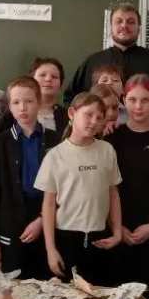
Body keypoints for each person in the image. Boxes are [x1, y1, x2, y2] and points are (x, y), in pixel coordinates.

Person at [39, 92, 123, 285]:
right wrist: (51, 249)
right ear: (71, 113)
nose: (93, 121)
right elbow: (48, 205)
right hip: (66, 237)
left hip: (100, 237)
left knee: (100, 294)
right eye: (88, 114)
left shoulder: (107, 150)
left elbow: (113, 194)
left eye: (99, 118)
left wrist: (117, 232)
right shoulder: (55, 155)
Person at [0, 76, 58, 280]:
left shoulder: (54, 139)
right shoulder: (1, 142)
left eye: (29, 101)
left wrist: (41, 220)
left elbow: (63, 188)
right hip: (11, 224)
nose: (22, 108)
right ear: (9, 106)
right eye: (16, 102)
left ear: (39, 102)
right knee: (13, 285)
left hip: (45, 220)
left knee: (46, 283)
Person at [106, 74, 149, 288]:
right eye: (133, 100)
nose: (138, 106)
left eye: (145, 100)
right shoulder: (113, 138)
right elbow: (106, 188)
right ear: (124, 100)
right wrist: (117, 226)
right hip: (119, 226)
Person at [64, 3, 149, 103]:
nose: (124, 25)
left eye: (131, 22)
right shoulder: (92, 62)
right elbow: (70, 99)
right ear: (111, 28)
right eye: (119, 21)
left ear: (139, 28)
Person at [0, 57, 69, 142]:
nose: (48, 79)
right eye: (42, 75)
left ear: (61, 84)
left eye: (54, 77)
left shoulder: (67, 116)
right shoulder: (13, 114)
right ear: (31, 80)